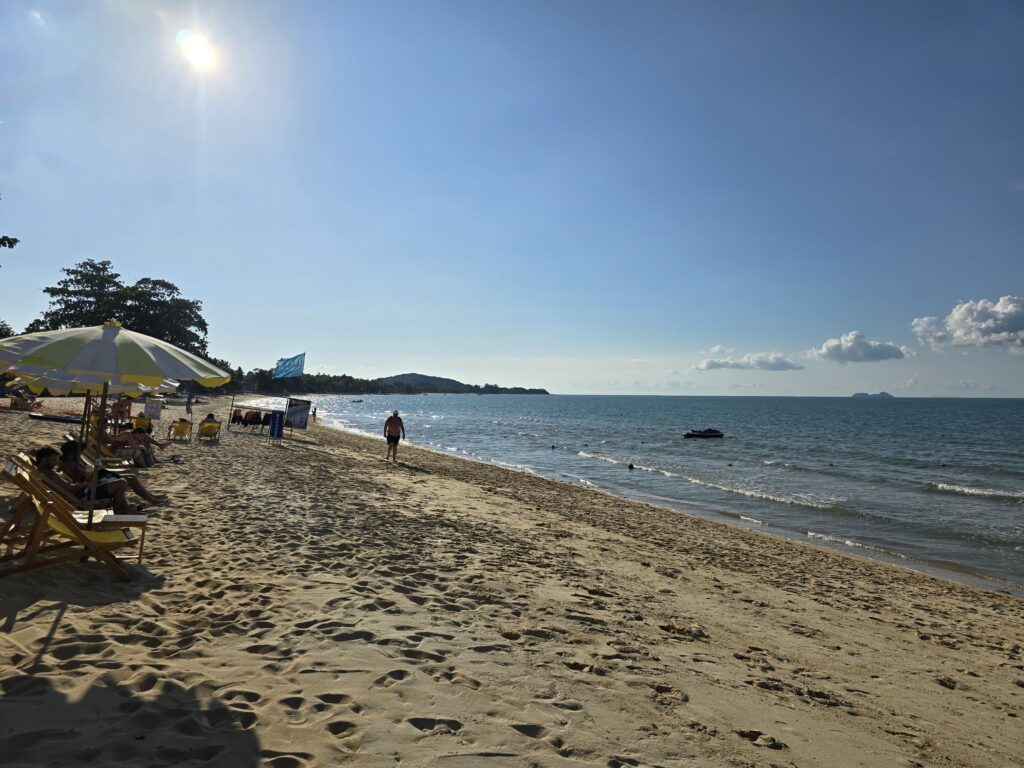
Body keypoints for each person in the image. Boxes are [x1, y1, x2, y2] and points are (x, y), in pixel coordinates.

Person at [59, 440, 168, 507]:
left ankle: (153, 497)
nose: (80, 452)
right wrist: (90, 468)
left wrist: (93, 465)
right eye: (78, 450)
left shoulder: (76, 460)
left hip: (100, 475)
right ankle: (152, 500)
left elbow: (89, 468)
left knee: (132, 476)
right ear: (72, 452)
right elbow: (82, 477)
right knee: (130, 479)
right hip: (96, 481)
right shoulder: (69, 465)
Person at [34, 446, 140, 514]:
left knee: (117, 482)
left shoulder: (45, 472)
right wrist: (86, 484)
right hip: (83, 496)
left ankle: (123, 509)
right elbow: (70, 488)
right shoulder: (49, 474)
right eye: (54, 460)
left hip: (83, 492)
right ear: (43, 459)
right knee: (121, 483)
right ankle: (119, 511)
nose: (56, 463)